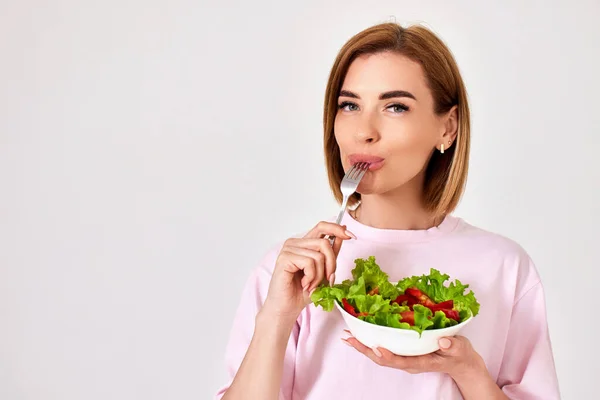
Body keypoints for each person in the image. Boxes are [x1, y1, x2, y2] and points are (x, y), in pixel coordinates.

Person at [215, 22, 560, 400]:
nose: (364, 131)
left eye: (395, 107)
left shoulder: (505, 267)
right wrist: (277, 319)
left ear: (448, 127)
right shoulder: (292, 271)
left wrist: (468, 372)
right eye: (349, 105)